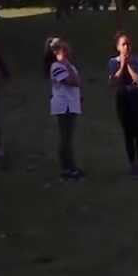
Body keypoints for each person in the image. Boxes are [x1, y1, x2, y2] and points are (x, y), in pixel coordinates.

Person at [108, 32, 138, 179]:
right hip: (122, 97)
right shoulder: (113, 62)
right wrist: (121, 65)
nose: (127, 47)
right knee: (127, 132)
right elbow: (113, 82)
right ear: (118, 47)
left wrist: (128, 65)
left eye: (128, 44)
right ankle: (132, 163)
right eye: (123, 44)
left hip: (135, 97)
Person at [45, 37, 83, 181]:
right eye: (63, 48)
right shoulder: (57, 66)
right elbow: (73, 82)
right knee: (65, 139)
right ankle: (67, 168)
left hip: (71, 104)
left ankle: (71, 167)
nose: (67, 50)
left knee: (68, 138)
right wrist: (65, 63)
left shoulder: (66, 65)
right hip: (64, 106)